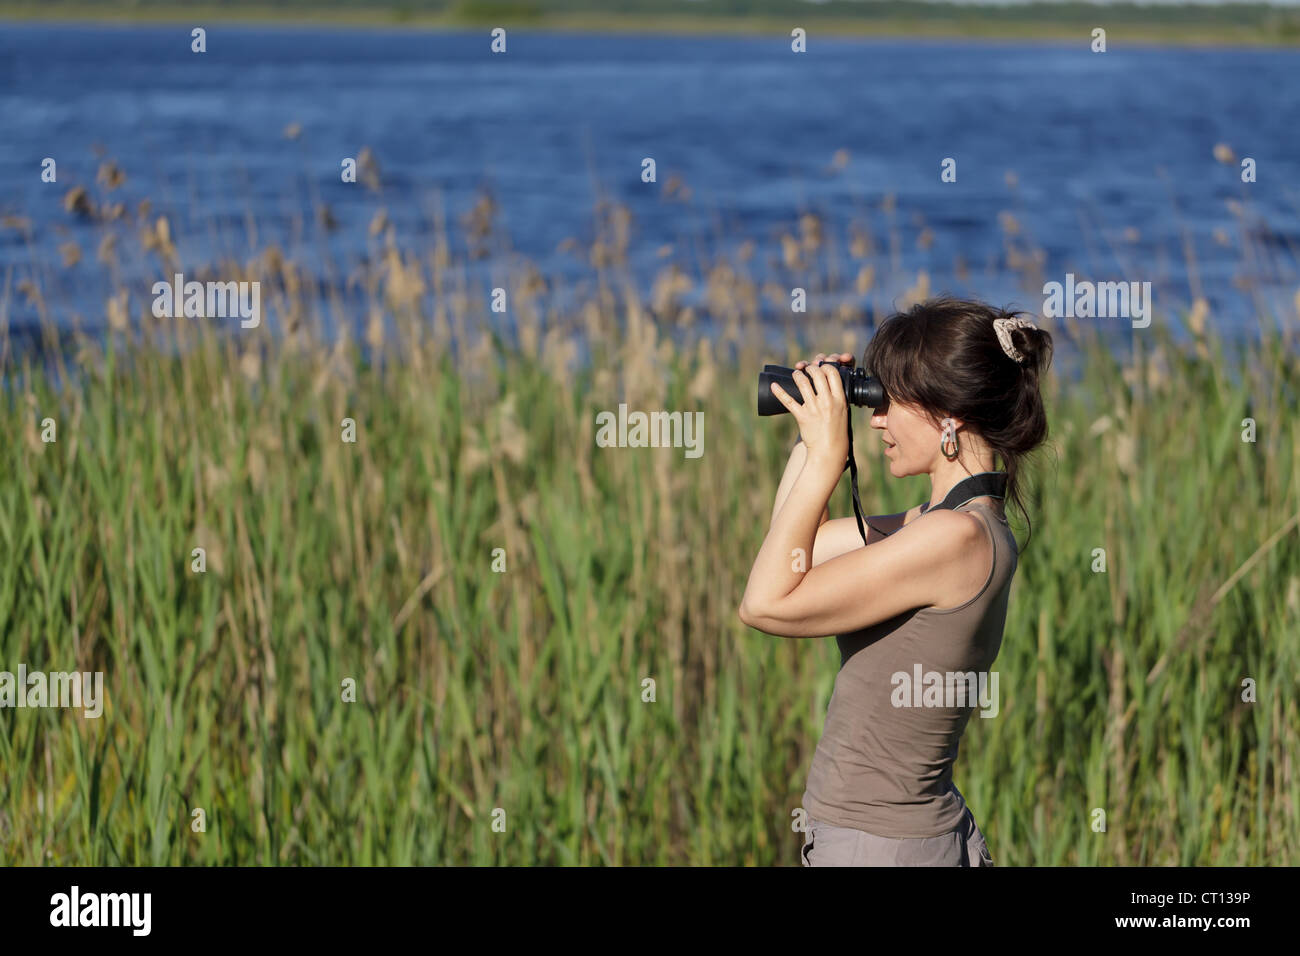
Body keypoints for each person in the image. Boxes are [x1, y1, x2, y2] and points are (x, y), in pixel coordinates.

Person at [738, 296, 1053, 866]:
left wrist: (830, 460)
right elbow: (793, 555)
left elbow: (764, 605)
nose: (876, 417)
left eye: (890, 400)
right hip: (888, 841)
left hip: (883, 848)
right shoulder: (941, 528)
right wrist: (812, 441)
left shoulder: (955, 540)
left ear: (948, 415)